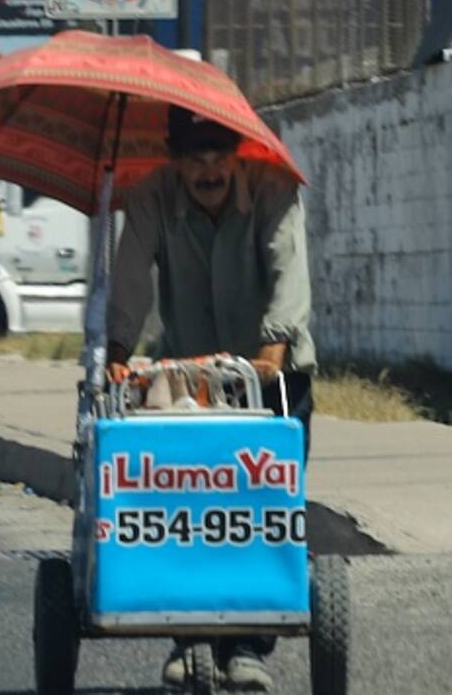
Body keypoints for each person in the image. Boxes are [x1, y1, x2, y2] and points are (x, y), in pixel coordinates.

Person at [106, 106, 316, 694]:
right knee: (188, 509)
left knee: (260, 508)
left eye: (218, 158)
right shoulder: (152, 198)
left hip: (272, 376)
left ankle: (248, 647)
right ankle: (189, 636)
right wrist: (117, 348)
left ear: (237, 156)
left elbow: (289, 274)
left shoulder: (275, 191)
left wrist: (273, 348)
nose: (208, 171)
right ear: (176, 161)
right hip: (191, 380)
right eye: (195, 160)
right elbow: (129, 276)